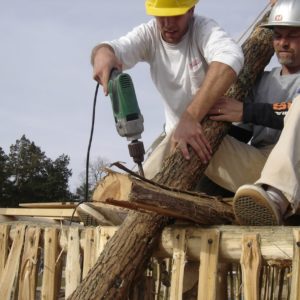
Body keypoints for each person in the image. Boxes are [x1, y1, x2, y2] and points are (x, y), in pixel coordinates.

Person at [91, 0, 244, 180]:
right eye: (162, 17)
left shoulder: (204, 29)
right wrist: (102, 54)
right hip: (174, 134)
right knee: (141, 189)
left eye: (176, 16)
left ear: (191, 10)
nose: (168, 24)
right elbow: (111, 48)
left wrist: (190, 117)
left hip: (219, 131)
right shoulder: (149, 34)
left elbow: (230, 58)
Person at [205, 0, 300, 226]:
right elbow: (238, 134)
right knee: (187, 131)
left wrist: (247, 111)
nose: (283, 43)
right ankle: (138, 188)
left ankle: (278, 196)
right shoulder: (262, 80)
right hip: (259, 171)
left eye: (292, 35)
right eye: (278, 35)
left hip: (295, 174)